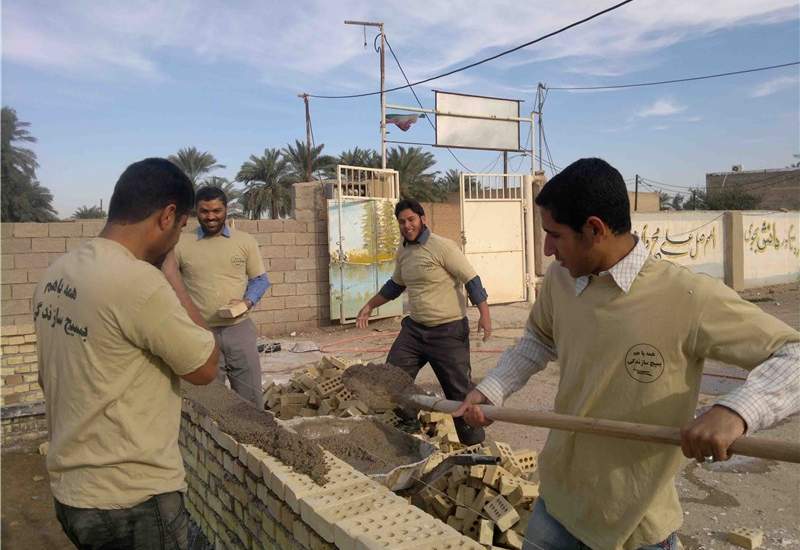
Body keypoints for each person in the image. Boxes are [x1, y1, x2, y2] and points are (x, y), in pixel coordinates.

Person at [454, 158, 800, 550]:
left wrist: (737, 411)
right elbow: (539, 339)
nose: (548, 250)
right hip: (557, 508)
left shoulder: (687, 297)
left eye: (554, 235)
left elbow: (794, 355)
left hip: (634, 528)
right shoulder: (559, 282)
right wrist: (492, 388)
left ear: (595, 229)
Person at [35, 158, 220, 549]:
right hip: (132, 501)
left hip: (72, 495)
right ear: (168, 216)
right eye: (183, 226)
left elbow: (48, 375)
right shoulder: (139, 282)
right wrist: (170, 275)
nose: (177, 240)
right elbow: (204, 368)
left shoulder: (57, 273)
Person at [357, 199, 492, 445]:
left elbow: (471, 279)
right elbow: (395, 286)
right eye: (402, 221)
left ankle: (474, 447)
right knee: (392, 377)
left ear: (422, 219)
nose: (407, 225)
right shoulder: (404, 252)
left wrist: (485, 314)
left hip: (448, 332)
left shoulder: (443, 247)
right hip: (415, 332)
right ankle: (406, 425)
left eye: (411, 219)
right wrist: (369, 306)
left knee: (460, 394)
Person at [168, 186, 270, 406]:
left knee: (250, 398)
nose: (211, 216)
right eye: (204, 211)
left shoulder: (244, 242)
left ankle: (253, 439)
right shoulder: (181, 244)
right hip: (201, 333)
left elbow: (260, 280)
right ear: (196, 211)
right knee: (211, 402)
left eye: (216, 210)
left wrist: (246, 301)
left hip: (239, 330)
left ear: (226, 209)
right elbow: (169, 283)